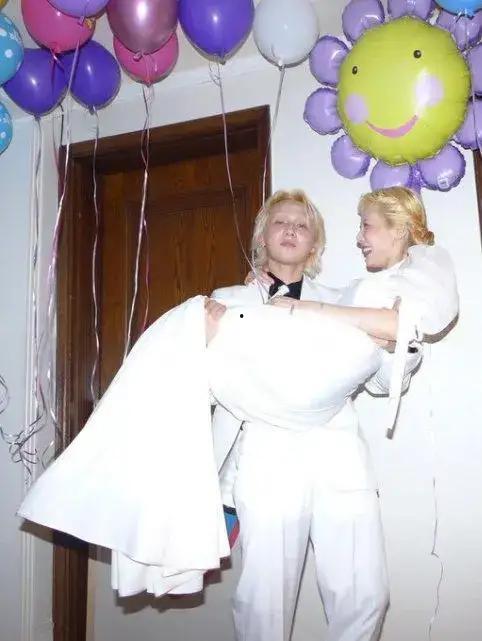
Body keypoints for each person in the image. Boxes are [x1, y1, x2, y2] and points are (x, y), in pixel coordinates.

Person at [210, 186, 458, 641]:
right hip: (267, 452)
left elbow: (381, 382)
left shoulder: (347, 298)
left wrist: (400, 347)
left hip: (337, 449)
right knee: (265, 600)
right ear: (262, 237)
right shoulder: (226, 301)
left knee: (366, 595)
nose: (291, 230)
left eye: (302, 225)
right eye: (281, 222)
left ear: (315, 245)